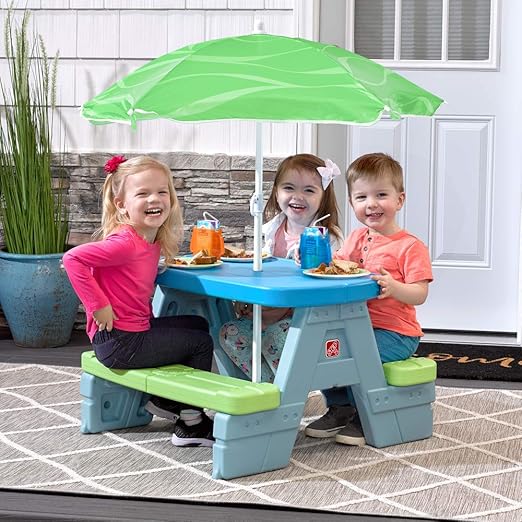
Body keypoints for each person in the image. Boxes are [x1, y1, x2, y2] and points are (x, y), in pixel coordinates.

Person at [63, 155, 215, 448]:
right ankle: (191, 422)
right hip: (121, 342)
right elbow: (72, 259)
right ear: (121, 204)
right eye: (142, 193)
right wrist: (98, 305)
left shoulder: (148, 239)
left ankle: (166, 399)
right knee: (200, 344)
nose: (154, 199)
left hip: (129, 334)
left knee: (197, 324)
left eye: (161, 192)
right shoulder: (125, 243)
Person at [304, 152, 433, 446]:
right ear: (352, 204)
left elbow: (420, 293)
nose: (371, 204)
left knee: (357, 356)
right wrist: (314, 257)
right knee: (325, 352)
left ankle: (366, 415)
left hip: (395, 332)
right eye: (361, 197)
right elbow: (337, 264)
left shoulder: (410, 247)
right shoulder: (355, 238)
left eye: (381, 195)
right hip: (354, 325)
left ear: (399, 200)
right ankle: (340, 407)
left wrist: (394, 287)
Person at [219, 154, 344, 382]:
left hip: (303, 318)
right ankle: (267, 389)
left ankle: (286, 393)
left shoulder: (327, 238)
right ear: (276, 193)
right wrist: (247, 300)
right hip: (264, 311)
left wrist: (312, 263)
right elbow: (260, 273)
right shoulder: (270, 230)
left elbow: (329, 282)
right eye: (289, 188)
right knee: (229, 333)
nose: (298, 197)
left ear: (323, 197)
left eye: (309, 190)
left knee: (275, 338)